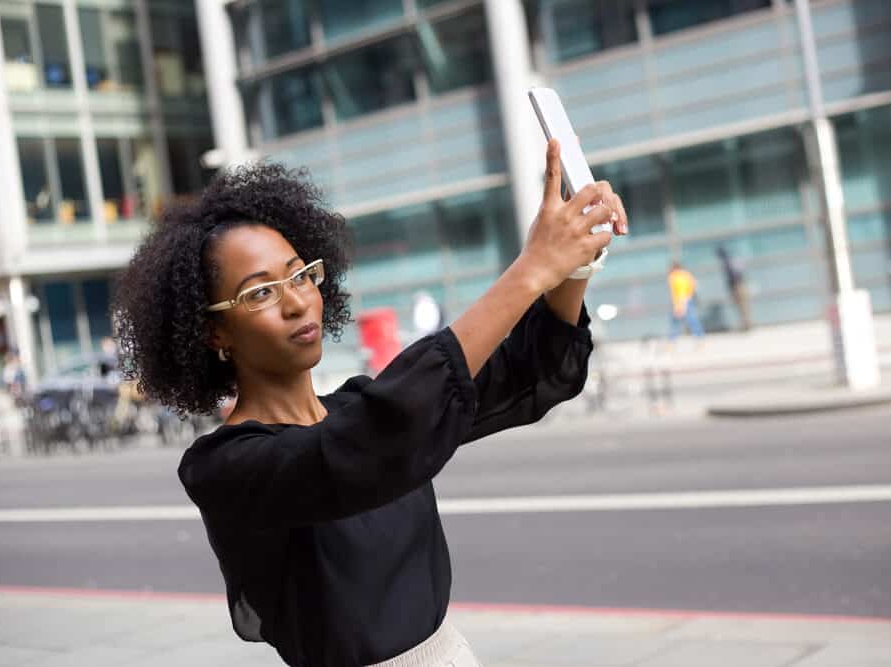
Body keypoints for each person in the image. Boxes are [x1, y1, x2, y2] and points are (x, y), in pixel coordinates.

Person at [110, 140, 628, 667]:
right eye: (260, 292)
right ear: (213, 331)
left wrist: (575, 261)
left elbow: (530, 373)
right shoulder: (225, 467)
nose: (296, 301)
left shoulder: (357, 407)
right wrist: (531, 269)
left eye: (299, 274)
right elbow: (367, 442)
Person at [716, 245, 751, 331]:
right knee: (740, 306)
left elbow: (737, 273)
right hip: (736, 285)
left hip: (737, 285)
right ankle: (745, 324)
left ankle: (746, 325)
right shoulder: (728, 261)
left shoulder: (729, 261)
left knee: (742, 305)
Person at [667, 261, 704, 343]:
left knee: (677, 321)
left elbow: (681, 291)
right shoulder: (686, 275)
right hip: (688, 299)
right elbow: (694, 286)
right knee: (691, 320)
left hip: (681, 301)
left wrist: (681, 305)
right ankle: (700, 337)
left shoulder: (676, 276)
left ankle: (671, 341)